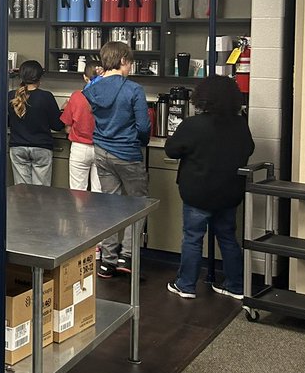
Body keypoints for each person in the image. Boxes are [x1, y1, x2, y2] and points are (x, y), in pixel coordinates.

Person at [165, 76, 254, 300]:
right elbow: (249, 149)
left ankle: (186, 285)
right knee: (227, 237)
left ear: (201, 97)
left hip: (198, 192)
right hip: (229, 192)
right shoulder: (240, 123)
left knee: (193, 238)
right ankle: (235, 285)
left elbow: (171, 150)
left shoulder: (193, 124)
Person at [84, 41, 151, 279]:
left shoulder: (93, 89)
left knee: (109, 206)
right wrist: (140, 140)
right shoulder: (133, 89)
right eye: (130, 62)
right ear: (123, 60)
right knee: (137, 204)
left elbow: (91, 89)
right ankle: (128, 256)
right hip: (127, 152)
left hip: (101, 151)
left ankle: (107, 260)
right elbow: (143, 126)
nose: (131, 66)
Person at [7, 60, 62, 186]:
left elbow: (6, 122)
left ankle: (23, 207)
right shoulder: (46, 97)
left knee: (22, 191)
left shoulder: (11, 96)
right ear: (39, 77)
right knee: (41, 192)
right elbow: (57, 126)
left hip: (18, 147)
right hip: (41, 147)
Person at [61, 57, 104, 192]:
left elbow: (67, 127)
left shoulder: (76, 96)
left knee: (77, 192)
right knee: (100, 193)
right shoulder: (109, 97)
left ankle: (79, 213)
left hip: (79, 148)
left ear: (85, 77)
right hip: (102, 147)